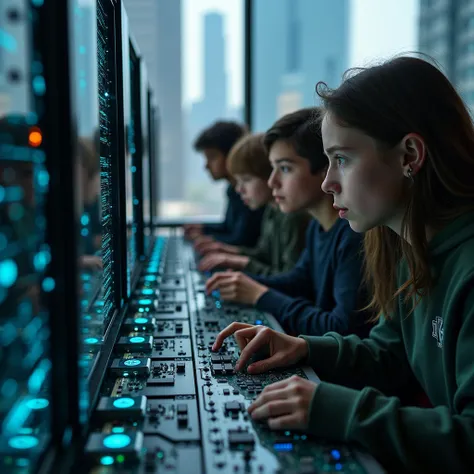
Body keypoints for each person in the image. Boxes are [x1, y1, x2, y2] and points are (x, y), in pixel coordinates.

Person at [212, 56, 474, 473]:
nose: (327, 182)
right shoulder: (405, 249)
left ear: (409, 154)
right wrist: (303, 347)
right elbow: (391, 354)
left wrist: (341, 410)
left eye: (342, 159)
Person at [206, 108, 370, 337]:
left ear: (325, 169)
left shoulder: (353, 234)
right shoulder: (317, 226)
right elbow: (297, 281)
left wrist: (260, 295)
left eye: (285, 169)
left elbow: (342, 327)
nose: (272, 182)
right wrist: (241, 282)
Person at [197, 132, 309, 276]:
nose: (239, 189)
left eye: (247, 180)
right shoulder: (272, 210)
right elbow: (263, 254)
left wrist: (241, 262)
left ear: (269, 176)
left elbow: (289, 280)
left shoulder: (293, 217)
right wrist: (229, 254)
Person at [184, 121, 265, 247]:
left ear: (232, 154)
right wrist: (203, 229)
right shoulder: (233, 189)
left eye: (212, 157)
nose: (206, 166)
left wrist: (208, 239)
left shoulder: (253, 191)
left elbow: (242, 240)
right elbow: (229, 228)